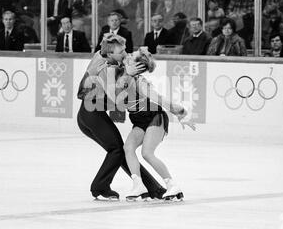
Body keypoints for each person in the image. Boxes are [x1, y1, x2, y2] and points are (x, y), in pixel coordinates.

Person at [77, 33, 167, 200]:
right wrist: (127, 73)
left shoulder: (102, 54)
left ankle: (152, 188)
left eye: (125, 50)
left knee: (122, 151)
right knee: (117, 150)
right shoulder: (104, 68)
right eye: (121, 52)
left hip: (89, 114)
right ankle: (100, 187)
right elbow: (114, 96)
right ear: (110, 54)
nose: (125, 54)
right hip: (91, 115)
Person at [122, 49, 195, 201]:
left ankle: (172, 185)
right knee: (128, 148)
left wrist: (179, 112)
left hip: (154, 117)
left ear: (137, 66)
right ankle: (138, 185)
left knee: (147, 153)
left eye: (132, 56)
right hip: (139, 120)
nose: (128, 56)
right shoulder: (124, 76)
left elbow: (159, 99)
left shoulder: (140, 83)